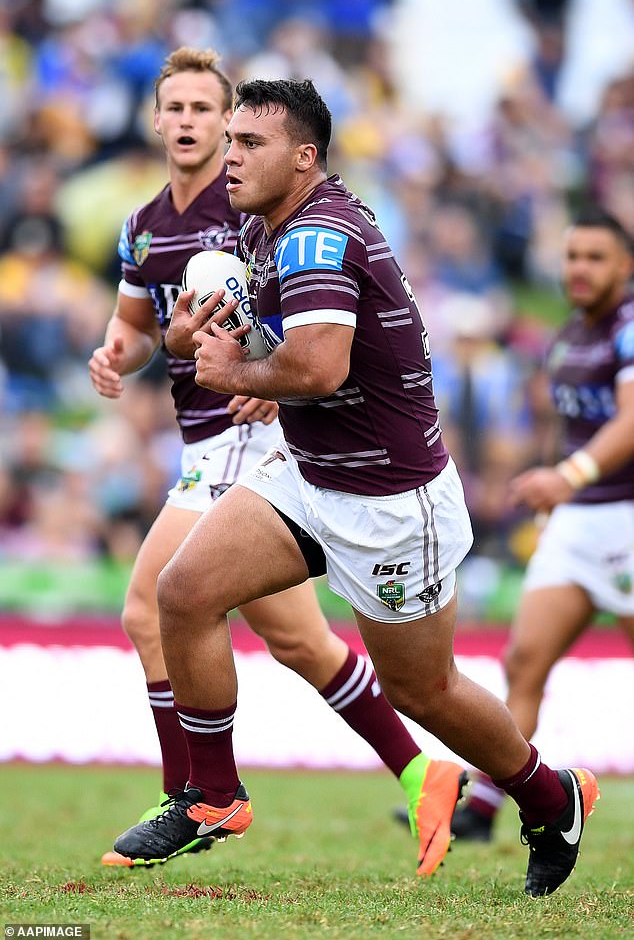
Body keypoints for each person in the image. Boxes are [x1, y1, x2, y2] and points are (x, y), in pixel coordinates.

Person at [112, 77, 599, 897]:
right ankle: (213, 795)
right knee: (184, 591)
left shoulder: (317, 234)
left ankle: (552, 797)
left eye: (250, 144)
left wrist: (244, 368)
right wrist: (245, 358)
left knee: (424, 688)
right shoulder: (264, 226)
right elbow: (302, 353)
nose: (231, 158)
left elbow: (321, 362)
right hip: (310, 470)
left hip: (390, 500)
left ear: (305, 157)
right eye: (229, 141)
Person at [89, 48, 466, 874]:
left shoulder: (250, 215)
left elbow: (299, 338)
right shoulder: (142, 226)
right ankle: (419, 768)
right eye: (176, 108)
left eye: (207, 111)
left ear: (237, 128)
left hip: (260, 443)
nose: (193, 125)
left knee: (158, 603)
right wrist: (120, 351)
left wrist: (269, 377)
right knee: (301, 643)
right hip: (205, 439)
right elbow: (145, 327)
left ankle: (194, 792)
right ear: (156, 121)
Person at [449, 208, 634, 842]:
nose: (579, 269)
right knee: (525, 660)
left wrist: (570, 474)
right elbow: (571, 428)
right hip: (578, 521)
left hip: (625, 516)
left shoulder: (629, 327)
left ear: (625, 267)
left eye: (595, 257)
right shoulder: (567, 338)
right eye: (572, 256)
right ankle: (481, 809)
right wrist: (551, 477)